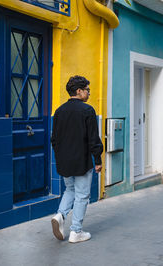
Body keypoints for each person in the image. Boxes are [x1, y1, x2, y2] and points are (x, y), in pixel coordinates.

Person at [50, 75, 103, 243]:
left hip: (64, 161)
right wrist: (98, 160)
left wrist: (60, 157)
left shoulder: (59, 111)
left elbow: (54, 139)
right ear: (79, 91)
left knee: (69, 190)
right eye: (87, 90)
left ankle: (60, 215)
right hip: (82, 161)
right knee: (82, 195)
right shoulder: (88, 110)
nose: (89, 93)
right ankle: (76, 232)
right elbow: (93, 139)